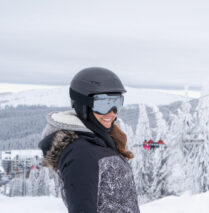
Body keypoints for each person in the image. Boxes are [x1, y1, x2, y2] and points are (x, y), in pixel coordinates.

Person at [38, 67, 140, 213]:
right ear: (83, 104)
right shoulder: (80, 152)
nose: (112, 113)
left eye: (116, 103)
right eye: (103, 104)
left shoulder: (99, 141)